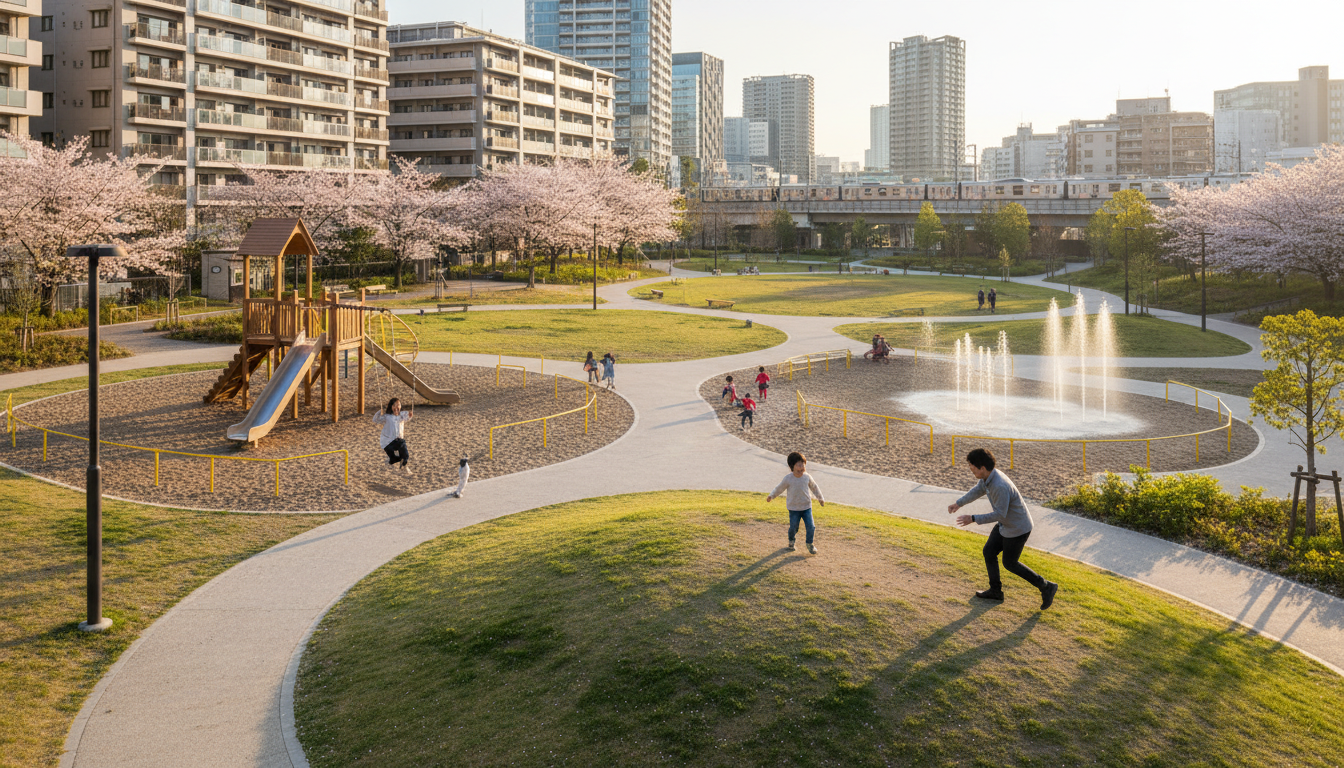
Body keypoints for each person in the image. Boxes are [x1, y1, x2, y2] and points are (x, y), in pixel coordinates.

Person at [948, 448, 1058, 609]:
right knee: (989, 551)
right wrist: (959, 503)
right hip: (1005, 524)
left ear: (982, 468)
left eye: (972, 467)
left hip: (1017, 528)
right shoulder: (988, 477)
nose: (971, 470)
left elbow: (999, 514)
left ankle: (1047, 586)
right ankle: (995, 591)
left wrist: (973, 518)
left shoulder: (999, 485)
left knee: (1010, 563)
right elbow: (978, 490)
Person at [766, 452, 824, 554]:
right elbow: (780, 488)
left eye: (803, 465)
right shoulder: (788, 478)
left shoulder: (807, 477)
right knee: (794, 527)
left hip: (806, 507)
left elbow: (814, 487)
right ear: (792, 466)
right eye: (799, 465)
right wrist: (771, 495)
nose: (801, 467)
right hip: (793, 509)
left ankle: (810, 544)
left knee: (811, 526)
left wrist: (820, 498)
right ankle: (791, 540)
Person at [372, 397, 413, 475]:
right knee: (402, 443)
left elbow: (407, 417)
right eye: (394, 405)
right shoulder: (387, 416)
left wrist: (410, 415)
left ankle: (403, 465)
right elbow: (375, 420)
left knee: (400, 454)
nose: (396, 407)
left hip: (397, 442)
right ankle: (401, 462)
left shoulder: (401, 416)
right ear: (391, 407)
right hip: (388, 442)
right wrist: (379, 411)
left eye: (398, 405)